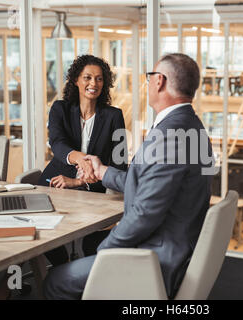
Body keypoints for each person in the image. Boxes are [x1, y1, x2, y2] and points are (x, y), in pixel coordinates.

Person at [43, 53, 214, 300]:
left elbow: (145, 214)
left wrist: (104, 253)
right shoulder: (191, 126)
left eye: (149, 77)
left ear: (160, 82)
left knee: (56, 281)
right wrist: (102, 171)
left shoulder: (169, 135)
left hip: (155, 257)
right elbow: (148, 183)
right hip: (176, 244)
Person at [40, 55, 128, 265]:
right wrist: (82, 160)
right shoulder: (59, 109)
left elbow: (119, 162)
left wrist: (79, 181)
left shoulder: (114, 116)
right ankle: (60, 269)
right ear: (76, 81)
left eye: (99, 79)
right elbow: (58, 144)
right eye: (87, 77)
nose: (93, 83)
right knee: (42, 231)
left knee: (93, 243)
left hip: (94, 191)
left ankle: (84, 279)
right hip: (55, 184)